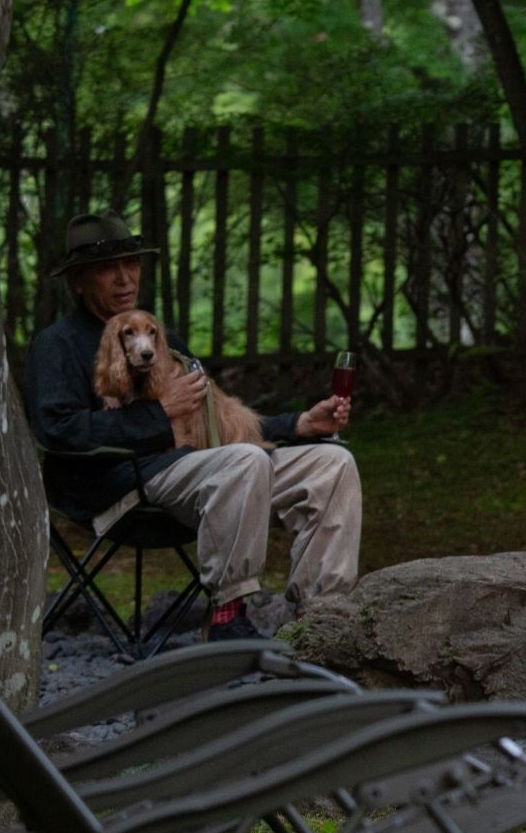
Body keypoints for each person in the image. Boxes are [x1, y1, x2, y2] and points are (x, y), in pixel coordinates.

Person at [26, 213, 361, 640]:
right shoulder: (56, 345)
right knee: (244, 461)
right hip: (122, 486)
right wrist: (158, 414)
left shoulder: (159, 335)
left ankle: (320, 621)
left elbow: (215, 416)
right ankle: (226, 614)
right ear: (77, 281)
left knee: (332, 463)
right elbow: (57, 431)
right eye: (108, 268)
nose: (125, 278)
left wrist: (298, 424)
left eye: (132, 264)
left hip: (207, 472)